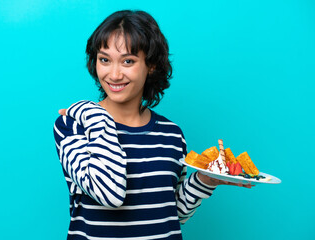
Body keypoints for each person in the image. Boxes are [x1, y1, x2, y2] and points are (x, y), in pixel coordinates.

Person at [53, 10, 251, 240]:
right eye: (104, 60)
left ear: (152, 65)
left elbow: (169, 214)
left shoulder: (172, 135)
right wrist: (94, 114)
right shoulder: (73, 126)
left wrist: (204, 181)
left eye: (128, 61)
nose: (114, 74)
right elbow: (109, 194)